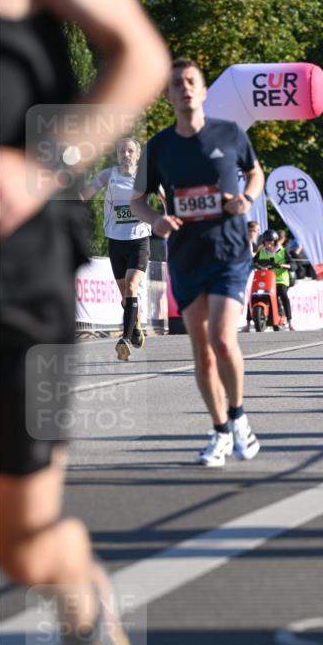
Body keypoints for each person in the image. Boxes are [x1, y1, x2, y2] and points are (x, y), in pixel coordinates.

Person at [0, 0, 169, 645]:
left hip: (16, 271)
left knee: (22, 542)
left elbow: (139, 55)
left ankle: (80, 595)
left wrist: (42, 169)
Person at [130, 57, 265, 467]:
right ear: (169, 96)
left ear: (203, 91)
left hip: (228, 250)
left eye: (192, 81)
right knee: (202, 353)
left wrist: (247, 199)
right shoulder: (159, 147)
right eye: (177, 84)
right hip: (186, 255)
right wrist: (156, 220)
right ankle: (220, 429)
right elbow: (137, 199)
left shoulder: (230, 133)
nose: (185, 88)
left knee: (223, 340)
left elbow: (255, 173)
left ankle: (239, 417)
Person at [81, 137, 151, 359]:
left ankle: (125, 339)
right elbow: (84, 195)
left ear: (138, 155)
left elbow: (166, 198)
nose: (126, 155)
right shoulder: (107, 176)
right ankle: (136, 323)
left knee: (132, 287)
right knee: (125, 297)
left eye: (130, 151)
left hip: (140, 240)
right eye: (122, 151)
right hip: (116, 241)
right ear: (117, 155)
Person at [254, 228, 294, 330]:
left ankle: (290, 321)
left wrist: (285, 266)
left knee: (283, 295)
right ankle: (250, 321)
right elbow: (253, 262)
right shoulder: (261, 252)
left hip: (280, 279)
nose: (268, 244)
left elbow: (293, 265)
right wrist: (255, 266)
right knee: (255, 295)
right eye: (266, 242)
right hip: (266, 280)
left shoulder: (283, 251)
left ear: (275, 242)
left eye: (270, 242)